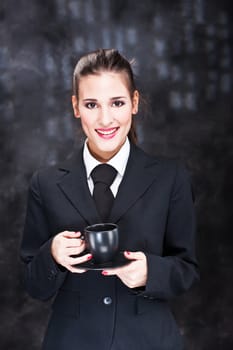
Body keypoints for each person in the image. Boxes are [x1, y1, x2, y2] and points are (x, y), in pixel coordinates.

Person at [20, 48, 199, 350]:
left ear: (134, 103)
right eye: (92, 104)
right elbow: (33, 284)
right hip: (71, 341)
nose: (105, 119)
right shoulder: (46, 183)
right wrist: (52, 255)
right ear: (76, 107)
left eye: (117, 102)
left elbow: (187, 269)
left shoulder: (171, 178)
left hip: (149, 340)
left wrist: (150, 273)